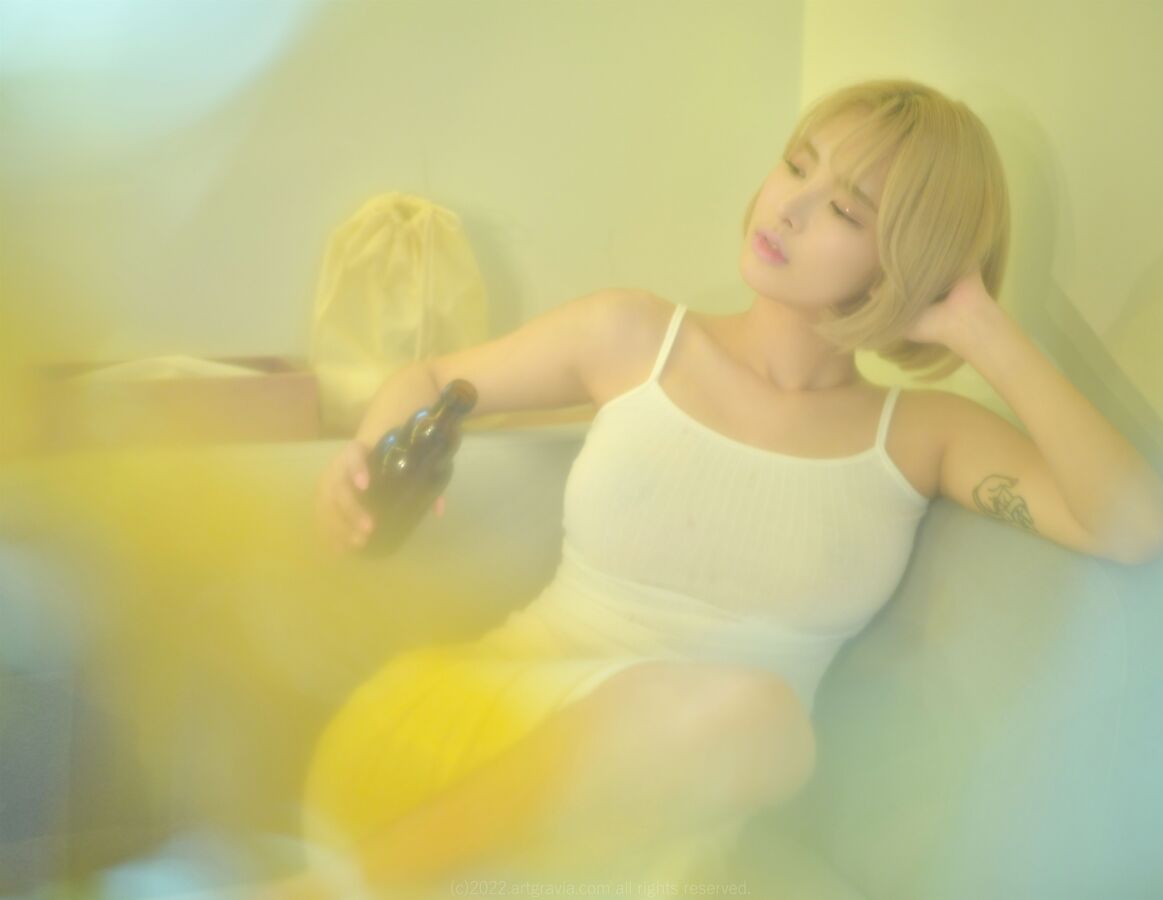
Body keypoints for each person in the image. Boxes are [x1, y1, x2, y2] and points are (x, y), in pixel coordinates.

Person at [293, 77, 1012, 897]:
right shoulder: (635, 337)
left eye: (846, 209)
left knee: (765, 735)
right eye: (795, 166)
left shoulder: (921, 435)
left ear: (905, 265)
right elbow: (430, 377)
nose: (789, 207)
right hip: (449, 752)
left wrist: (980, 326)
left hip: (623, 843)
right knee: (766, 720)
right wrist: (367, 458)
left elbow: (1121, 521)